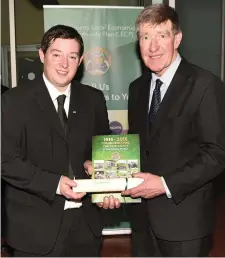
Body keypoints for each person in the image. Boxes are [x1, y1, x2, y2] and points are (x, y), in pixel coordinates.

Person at [119, 4, 225, 257]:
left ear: (177, 39)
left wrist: (165, 184)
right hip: (142, 221)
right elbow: (141, 147)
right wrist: (109, 180)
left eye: (161, 36)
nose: (153, 47)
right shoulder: (137, 88)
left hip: (184, 222)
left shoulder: (205, 85)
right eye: (146, 37)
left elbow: (217, 153)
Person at [1, 24, 110, 257]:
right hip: (34, 231)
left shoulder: (94, 100)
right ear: (42, 55)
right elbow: (7, 161)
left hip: (86, 227)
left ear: (80, 61)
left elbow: (102, 150)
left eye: (72, 57)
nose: (64, 64)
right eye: (56, 55)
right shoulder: (14, 101)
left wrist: (97, 168)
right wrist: (54, 184)